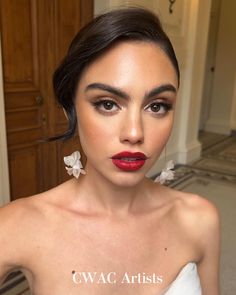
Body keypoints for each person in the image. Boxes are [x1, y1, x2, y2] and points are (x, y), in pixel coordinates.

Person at [0, 7, 220, 295]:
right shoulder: (17, 226)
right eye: (107, 103)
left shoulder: (200, 220)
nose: (134, 133)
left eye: (157, 106)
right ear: (71, 109)